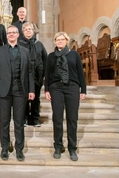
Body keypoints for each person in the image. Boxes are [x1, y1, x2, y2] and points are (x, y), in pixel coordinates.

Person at [0, 25, 35, 162]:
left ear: (17, 34)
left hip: (20, 90)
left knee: (19, 121)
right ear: (6, 35)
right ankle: (5, 148)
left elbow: (30, 72)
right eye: (9, 33)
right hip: (4, 90)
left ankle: (19, 149)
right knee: (4, 122)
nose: (11, 35)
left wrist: (31, 90)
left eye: (13, 32)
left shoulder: (25, 51)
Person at [44, 32, 86, 162]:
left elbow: (80, 72)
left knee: (72, 119)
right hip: (55, 88)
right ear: (55, 41)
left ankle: (72, 148)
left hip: (72, 87)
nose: (60, 41)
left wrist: (83, 90)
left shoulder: (74, 54)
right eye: (57, 39)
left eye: (62, 39)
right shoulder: (51, 56)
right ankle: (58, 146)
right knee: (57, 118)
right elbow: (47, 74)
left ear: (66, 41)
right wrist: (46, 90)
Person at [18, 22, 47, 127]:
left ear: (33, 31)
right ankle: (25, 118)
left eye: (30, 29)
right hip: (23, 76)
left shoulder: (39, 44)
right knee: (24, 98)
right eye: (26, 29)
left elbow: (45, 59)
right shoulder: (20, 44)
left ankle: (35, 119)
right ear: (23, 32)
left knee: (36, 98)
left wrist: (44, 74)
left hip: (36, 75)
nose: (28, 31)